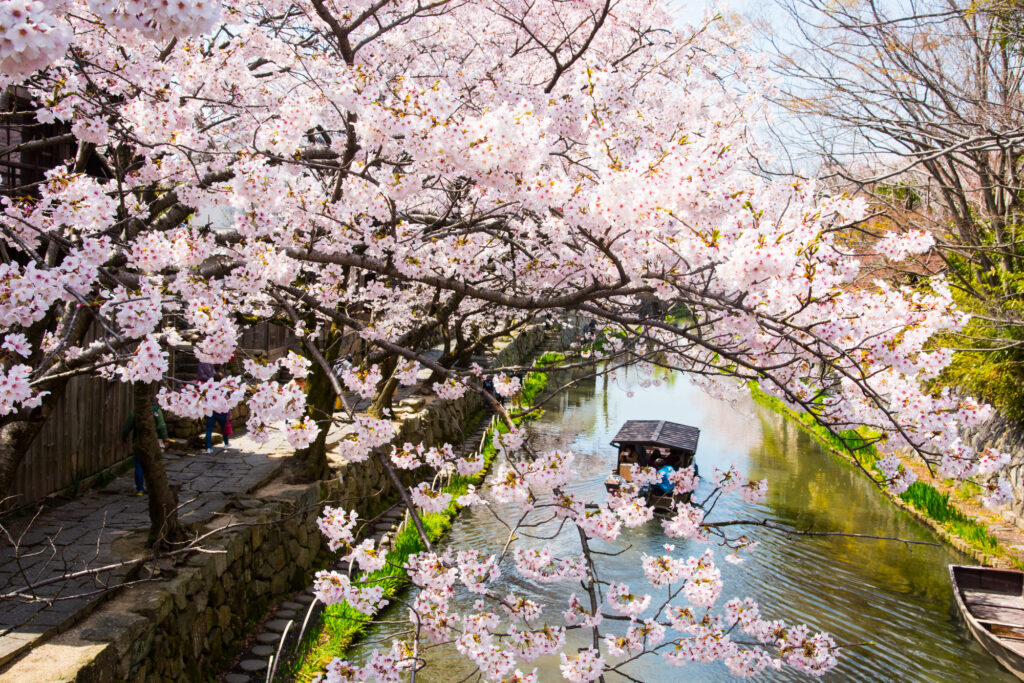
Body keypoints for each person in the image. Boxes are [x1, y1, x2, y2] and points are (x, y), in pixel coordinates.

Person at [121, 404, 169, 496]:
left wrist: (124, 437)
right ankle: (154, 488)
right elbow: (161, 425)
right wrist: (165, 439)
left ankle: (140, 489)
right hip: (153, 442)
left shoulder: (136, 411)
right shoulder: (156, 411)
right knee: (154, 464)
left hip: (139, 441)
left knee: (139, 465)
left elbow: (128, 425)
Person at [197, 360, 230, 453]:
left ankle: (209, 448)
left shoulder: (209, 389)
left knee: (209, 430)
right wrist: (229, 413)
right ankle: (226, 443)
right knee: (224, 429)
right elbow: (228, 401)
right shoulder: (224, 389)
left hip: (211, 411)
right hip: (222, 412)